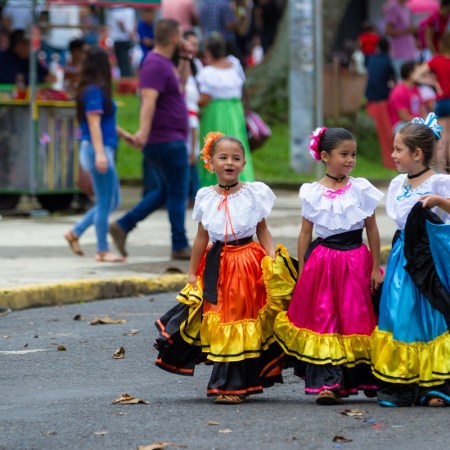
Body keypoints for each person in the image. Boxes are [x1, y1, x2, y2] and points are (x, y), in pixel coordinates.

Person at [153, 132, 292, 404]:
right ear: (211, 163)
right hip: (217, 265)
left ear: (243, 164)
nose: (230, 162)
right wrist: (192, 273)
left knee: (242, 321)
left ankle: (234, 384)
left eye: (236, 158)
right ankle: (228, 382)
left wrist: (272, 257)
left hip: (248, 263)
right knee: (221, 321)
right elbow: (201, 239)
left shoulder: (254, 193)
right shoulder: (205, 197)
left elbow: (263, 230)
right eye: (223, 157)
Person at [273, 127, 384, 405]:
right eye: (344, 154)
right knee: (325, 321)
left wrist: (374, 267)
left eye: (353, 154)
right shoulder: (311, 192)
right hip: (322, 262)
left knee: (355, 320)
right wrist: (302, 270)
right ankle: (328, 384)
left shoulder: (361, 189)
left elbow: (372, 229)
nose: (350, 160)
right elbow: (304, 233)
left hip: (356, 260)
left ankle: (358, 380)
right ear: (325, 156)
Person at [371, 113, 450, 407]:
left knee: (431, 316)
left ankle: (436, 386)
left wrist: (440, 202)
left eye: (398, 150)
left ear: (417, 154)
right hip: (403, 256)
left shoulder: (441, 183)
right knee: (400, 314)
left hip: (430, 259)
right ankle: (402, 383)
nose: (392, 155)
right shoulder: (397, 184)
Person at [108, 19, 192, 260]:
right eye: (182, 38)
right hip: (166, 139)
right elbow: (148, 100)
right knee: (177, 192)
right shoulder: (155, 63)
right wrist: (143, 133)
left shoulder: (164, 64)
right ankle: (179, 244)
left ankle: (124, 225)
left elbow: (181, 85)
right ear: (175, 38)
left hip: (170, 138)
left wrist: (185, 57)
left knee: (166, 191)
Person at [64, 46, 132, 263]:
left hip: (101, 148)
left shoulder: (96, 89)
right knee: (105, 201)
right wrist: (101, 154)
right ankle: (102, 250)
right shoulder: (94, 90)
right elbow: (93, 125)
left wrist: (124, 134)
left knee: (112, 201)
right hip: (97, 149)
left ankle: (76, 232)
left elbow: (105, 122)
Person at [197, 33, 255, 187]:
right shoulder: (234, 65)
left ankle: (212, 180)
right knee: (238, 145)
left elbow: (205, 98)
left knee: (214, 146)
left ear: (208, 52)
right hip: (235, 110)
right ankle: (242, 178)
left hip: (216, 112)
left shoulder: (207, 73)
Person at [414, 31, 450, 173]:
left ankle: (442, 170)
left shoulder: (436, 60)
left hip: (441, 101)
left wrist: (433, 84)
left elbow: (417, 75)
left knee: (443, 136)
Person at [382, 0, 418, 79]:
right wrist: (407, 30)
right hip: (400, 55)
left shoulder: (407, 8)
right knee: (403, 82)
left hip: (410, 53)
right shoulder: (392, 7)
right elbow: (388, 31)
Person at [387, 61, 423, 134]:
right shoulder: (399, 91)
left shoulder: (415, 88)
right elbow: (404, 116)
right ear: (410, 73)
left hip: (415, 123)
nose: (421, 73)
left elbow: (421, 109)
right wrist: (422, 123)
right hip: (402, 125)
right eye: (418, 71)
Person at [106, 6, 136, 78]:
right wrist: (130, 33)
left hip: (123, 40)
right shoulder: (122, 7)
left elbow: (122, 23)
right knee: (124, 65)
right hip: (122, 39)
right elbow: (121, 23)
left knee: (124, 65)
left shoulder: (123, 7)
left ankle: (126, 82)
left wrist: (130, 33)